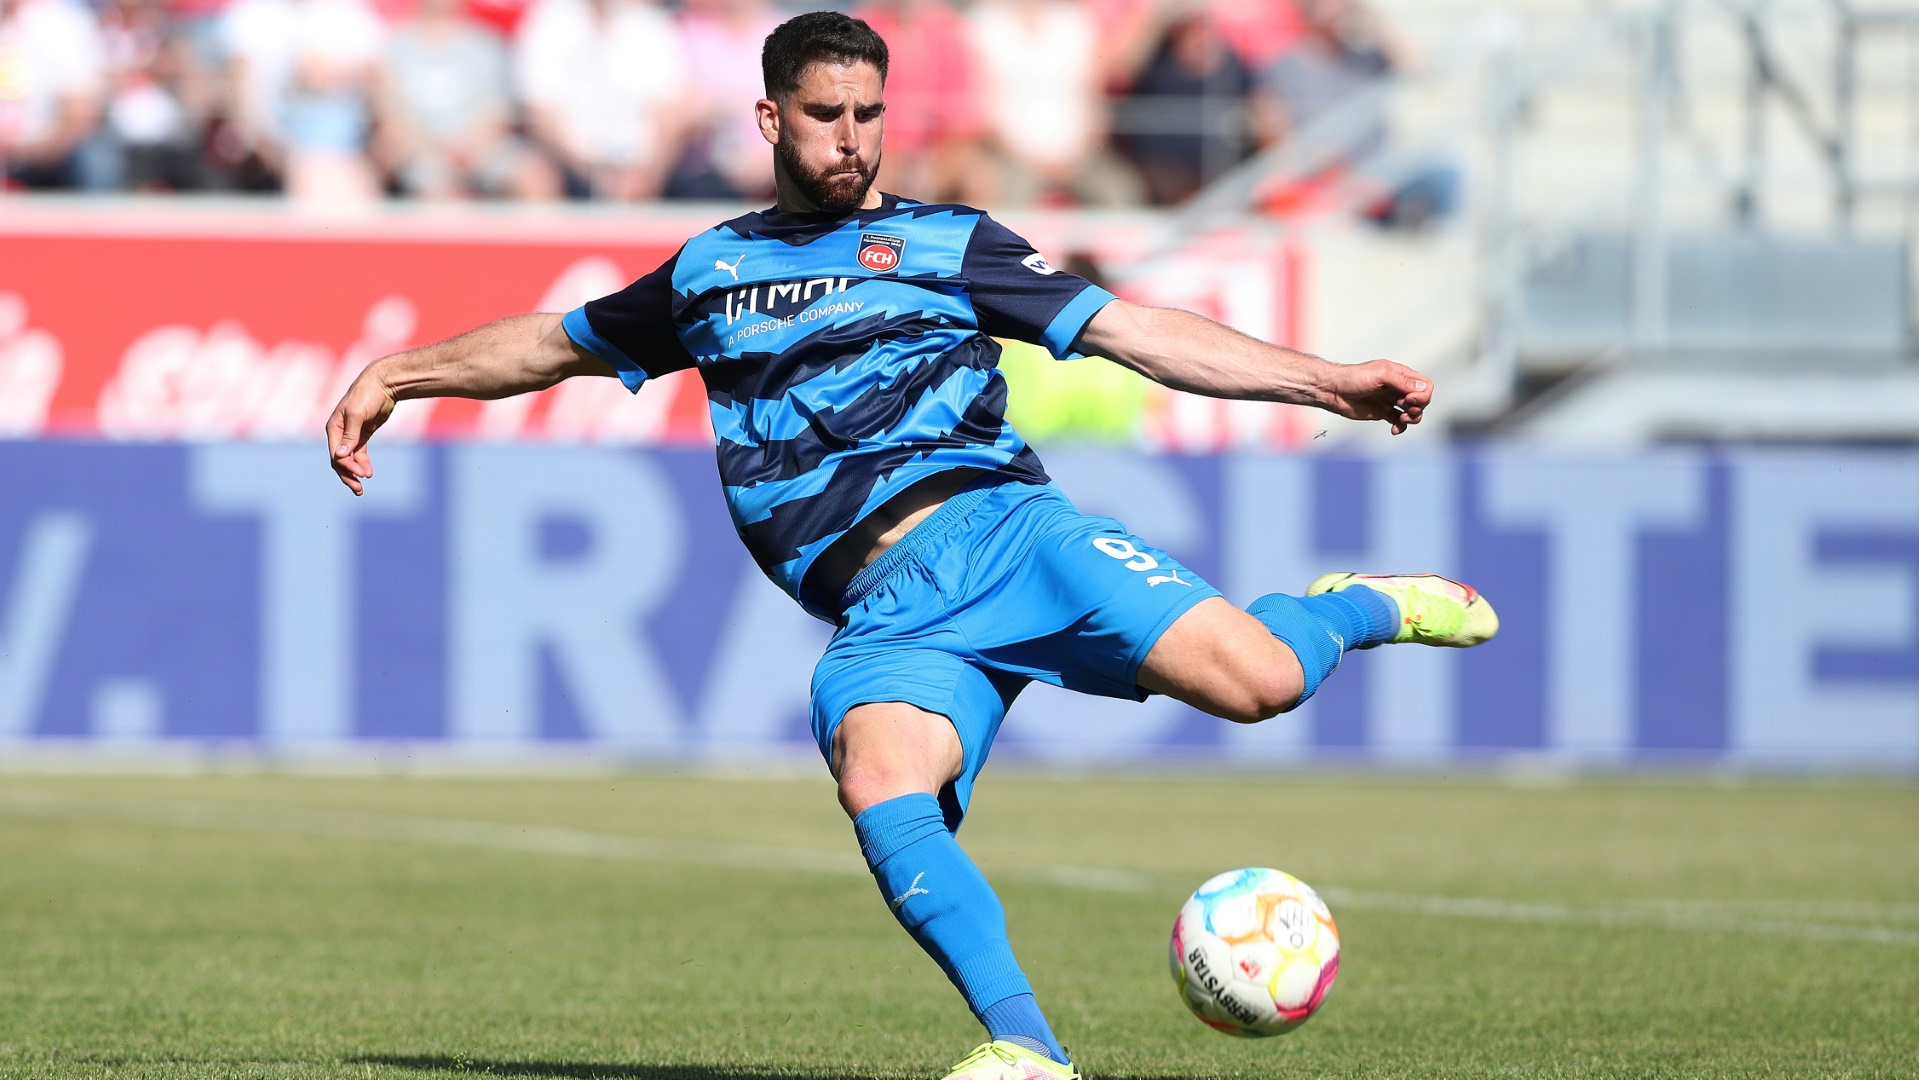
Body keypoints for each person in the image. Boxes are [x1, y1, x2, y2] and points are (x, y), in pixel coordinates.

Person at [324, 13, 1497, 1079]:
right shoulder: (708, 273)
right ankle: (1026, 1051)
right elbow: (550, 346)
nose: (850, 140)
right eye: (825, 116)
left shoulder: (950, 243)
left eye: (869, 116)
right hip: (883, 614)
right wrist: (396, 372)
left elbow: (1133, 333)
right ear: (769, 118)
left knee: (1264, 683)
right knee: (878, 780)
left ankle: (1349, 604)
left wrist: (1321, 380)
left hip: (1007, 536)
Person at [375, 0, 556, 200]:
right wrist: (437, 153)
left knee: (534, 177)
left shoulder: (486, 44)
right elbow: (391, 117)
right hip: (420, 151)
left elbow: (498, 111)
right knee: (440, 191)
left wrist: (470, 148)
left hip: (481, 147)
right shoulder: (394, 47)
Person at [513, 0, 686, 201]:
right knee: (535, 175)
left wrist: (648, 171)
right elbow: (539, 109)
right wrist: (591, 171)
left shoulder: (650, 23)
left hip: (637, 166)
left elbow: (671, 108)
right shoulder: (548, 19)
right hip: (567, 162)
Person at [0, 0, 106, 190]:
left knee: (94, 159)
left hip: (44, 156)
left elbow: (79, 111)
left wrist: (28, 152)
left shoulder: (62, 23)